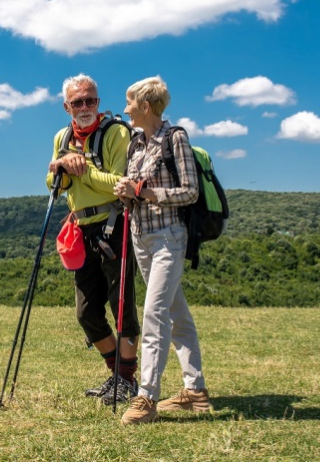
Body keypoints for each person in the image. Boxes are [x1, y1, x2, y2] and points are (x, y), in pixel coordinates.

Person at [114, 76, 211, 424]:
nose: (125, 110)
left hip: (170, 236)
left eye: (130, 104)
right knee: (175, 311)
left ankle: (146, 398)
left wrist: (150, 194)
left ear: (145, 106)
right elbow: (136, 189)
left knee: (154, 313)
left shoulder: (175, 138)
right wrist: (126, 190)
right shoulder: (135, 144)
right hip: (141, 237)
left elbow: (190, 191)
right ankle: (195, 391)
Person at [46, 74, 140, 404]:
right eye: (78, 102)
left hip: (115, 226)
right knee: (86, 313)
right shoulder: (62, 136)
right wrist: (61, 167)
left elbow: (119, 182)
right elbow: (52, 184)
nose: (85, 107)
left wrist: (80, 167)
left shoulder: (116, 132)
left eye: (91, 101)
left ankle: (126, 381)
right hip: (82, 229)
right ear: (66, 106)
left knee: (122, 307)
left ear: (98, 102)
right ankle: (118, 375)